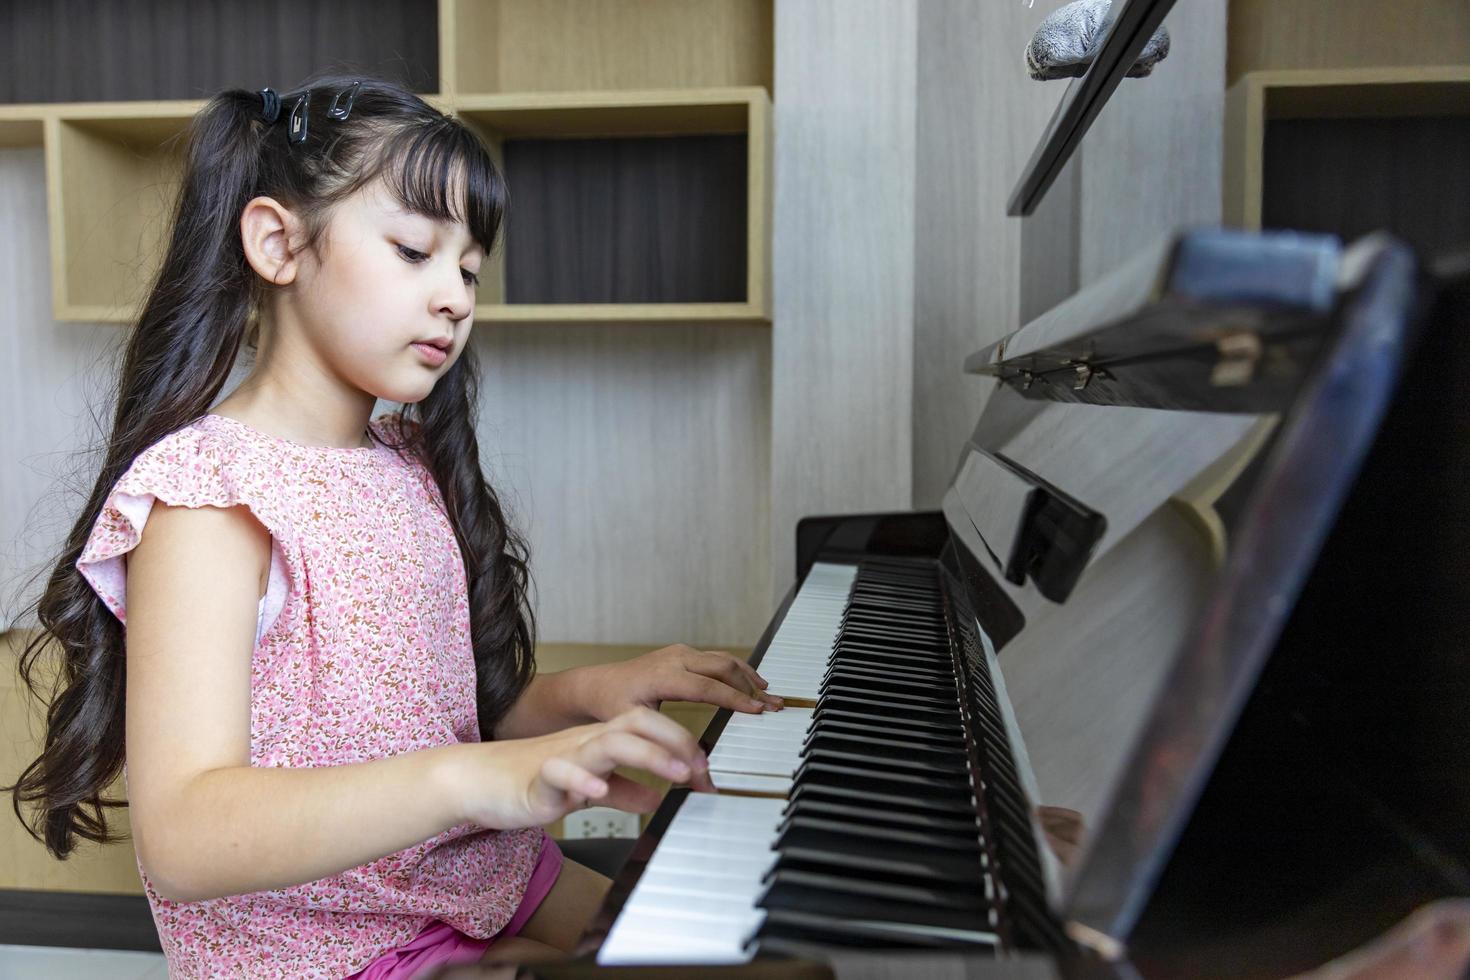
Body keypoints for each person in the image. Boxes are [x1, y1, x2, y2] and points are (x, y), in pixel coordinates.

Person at [2, 70, 783, 979]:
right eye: (415, 251)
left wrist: (590, 694)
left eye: (469, 267)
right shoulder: (206, 498)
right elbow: (184, 837)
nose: (455, 295)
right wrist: (481, 779)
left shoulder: (406, 463)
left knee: (733, 943)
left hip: (476, 876)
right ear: (277, 243)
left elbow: (424, 724)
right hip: (323, 948)